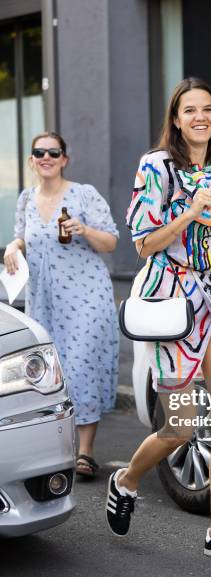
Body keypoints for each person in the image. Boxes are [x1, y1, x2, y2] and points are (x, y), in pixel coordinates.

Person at [105, 77, 211, 564]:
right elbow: (144, 243)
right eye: (190, 110)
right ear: (176, 118)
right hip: (174, 305)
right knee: (178, 427)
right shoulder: (157, 167)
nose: (200, 117)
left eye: (208, 109)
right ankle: (127, 479)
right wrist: (190, 212)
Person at [3, 131, 119, 479]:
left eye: (54, 152)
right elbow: (24, 234)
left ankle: (84, 453)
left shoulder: (84, 195)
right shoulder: (25, 198)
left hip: (86, 297)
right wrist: (13, 244)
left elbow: (111, 241)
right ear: (32, 159)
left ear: (64, 159)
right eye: (39, 152)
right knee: (50, 373)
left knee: (81, 367)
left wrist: (83, 229)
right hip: (44, 300)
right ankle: (56, 447)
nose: (46, 157)